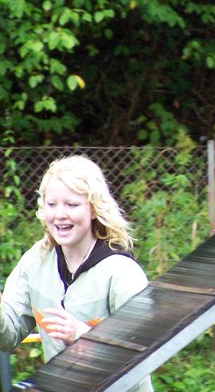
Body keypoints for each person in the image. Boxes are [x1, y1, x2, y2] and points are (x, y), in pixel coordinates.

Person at [0, 155, 153, 392]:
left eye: (71, 205)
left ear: (93, 209)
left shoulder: (122, 272)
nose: (60, 214)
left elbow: (144, 350)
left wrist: (83, 335)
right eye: (52, 204)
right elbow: (8, 335)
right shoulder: (36, 261)